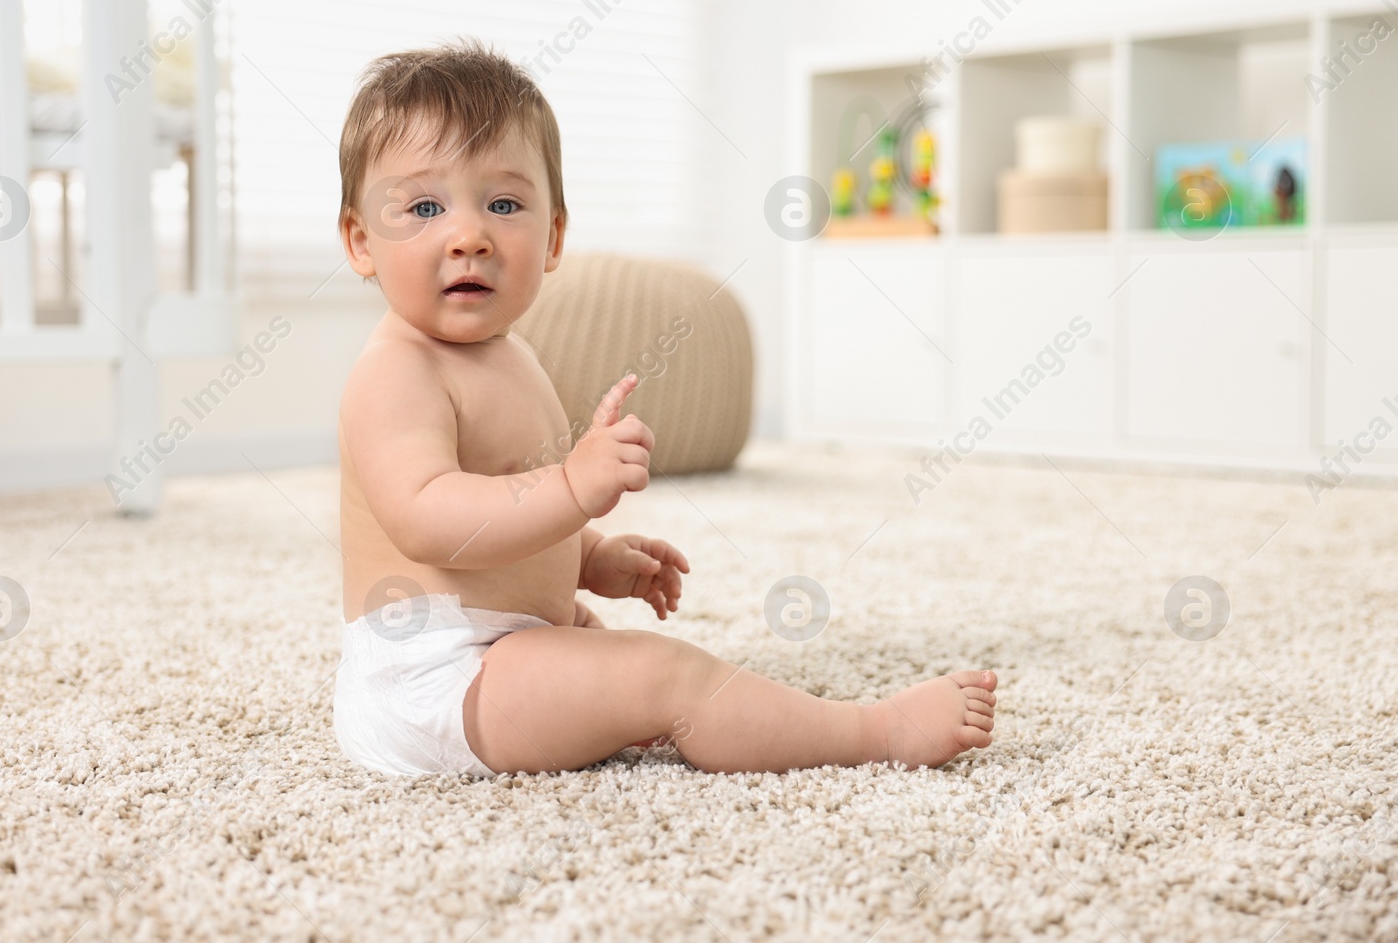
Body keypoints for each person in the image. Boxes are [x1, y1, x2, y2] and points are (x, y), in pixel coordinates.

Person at [331, 39, 998, 778]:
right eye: (424, 207)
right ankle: (876, 731)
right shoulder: (395, 371)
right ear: (361, 241)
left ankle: (664, 703)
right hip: (430, 684)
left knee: (615, 662)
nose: (469, 235)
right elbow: (426, 517)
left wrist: (585, 558)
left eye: (504, 203)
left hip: (499, 648)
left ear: (552, 237)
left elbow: (507, 498)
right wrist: (571, 488)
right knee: (663, 676)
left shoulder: (513, 355)